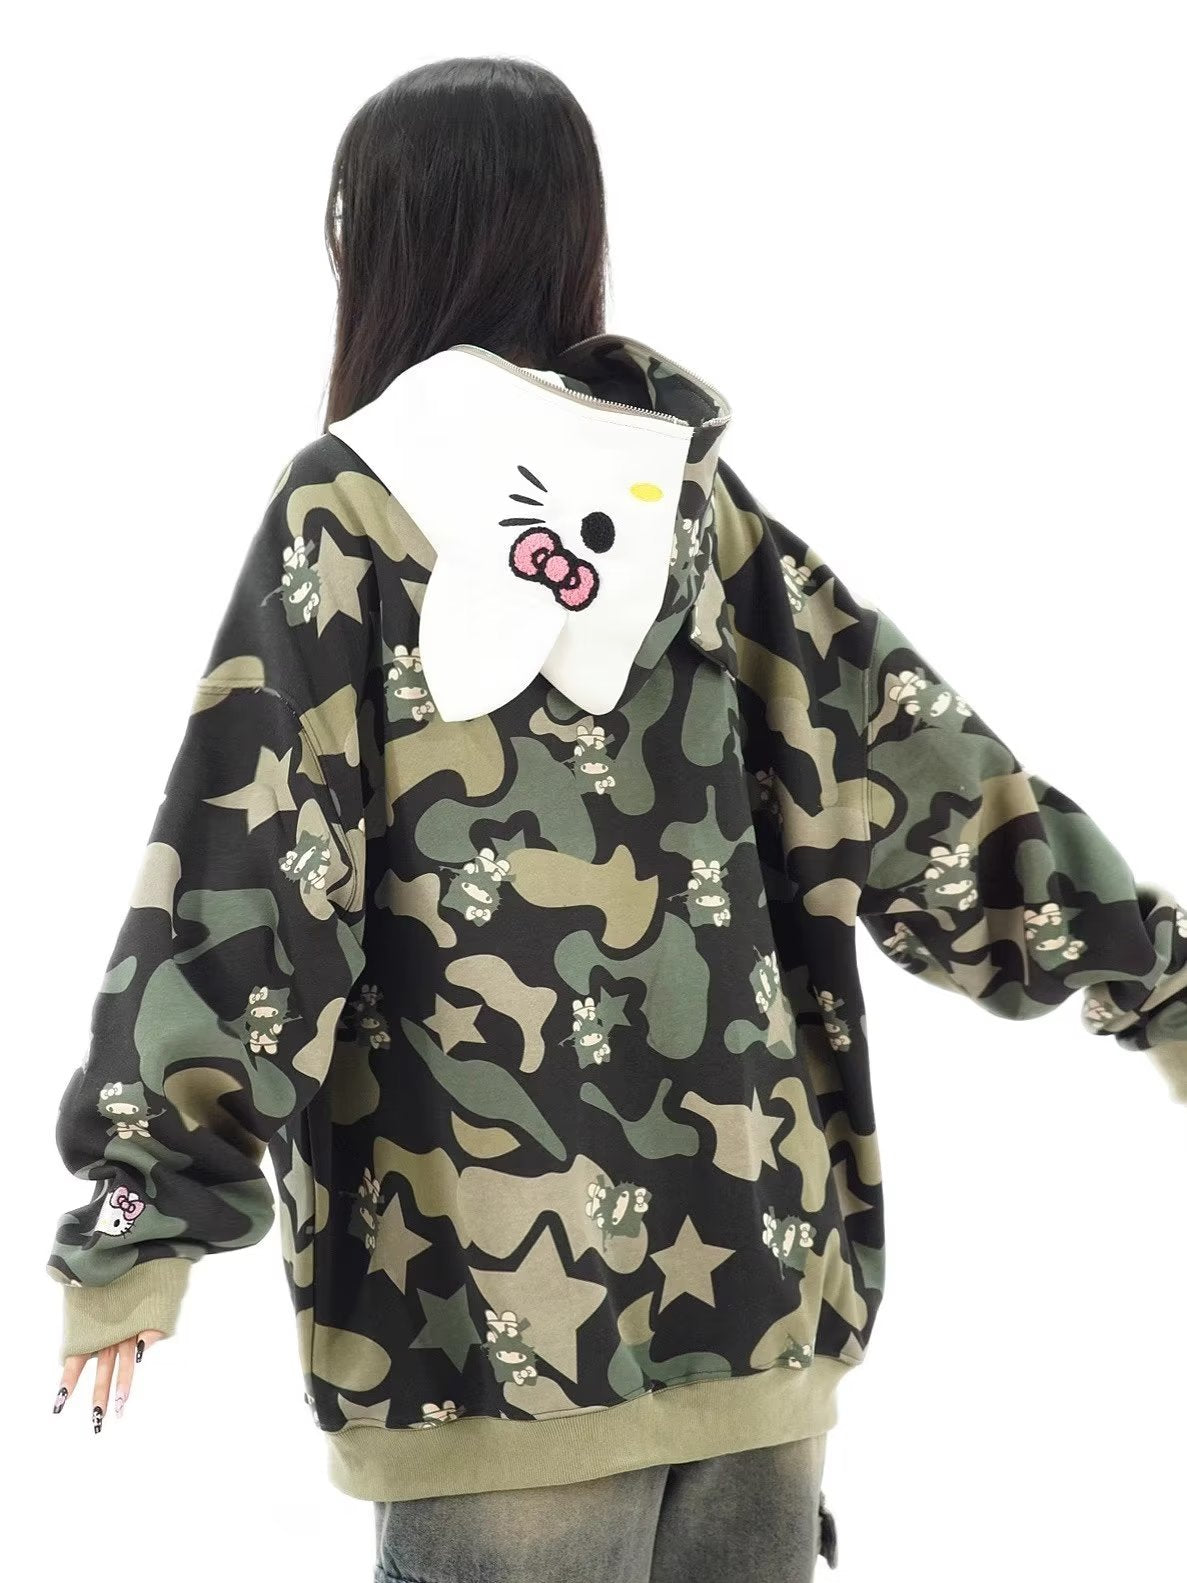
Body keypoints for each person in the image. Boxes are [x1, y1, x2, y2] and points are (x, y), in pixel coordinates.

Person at [46, 54, 1185, 1583]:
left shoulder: (355, 513)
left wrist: (139, 1216)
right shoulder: (697, 514)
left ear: (375, 240)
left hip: (488, 1346)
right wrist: (1158, 975)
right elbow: (922, 772)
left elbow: (252, 866)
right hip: (759, 1314)